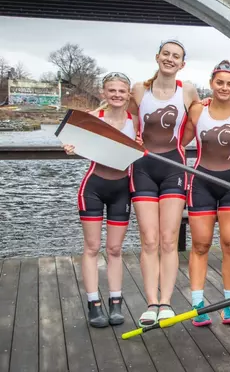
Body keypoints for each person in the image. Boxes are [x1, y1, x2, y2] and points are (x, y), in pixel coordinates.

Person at [129, 40, 200, 326]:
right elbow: (126, 122)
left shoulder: (188, 90)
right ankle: (151, 302)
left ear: (182, 64)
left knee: (169, 240)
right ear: (157, 57)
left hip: (173, 168)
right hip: (143, 168)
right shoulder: (138, 89)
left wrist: (176, 148)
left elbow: (196, 125)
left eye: (176, 57)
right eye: (166, 54)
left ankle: (167, 302)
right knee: (149, 239)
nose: (170, 59)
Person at [63, 72, 138, 327]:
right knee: (92, 247)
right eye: (112, 90)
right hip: (93, 186)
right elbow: (71, 140)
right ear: (104, 93)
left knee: (115, 249)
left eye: (121, 91)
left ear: (128, 94)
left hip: (122, 188)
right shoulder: (94, 118)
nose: (117, 95)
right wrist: (70, 146)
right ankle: (93, 302)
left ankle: (115, 301)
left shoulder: (135, 121)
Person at [182, 60, 230, 326]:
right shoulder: (199, 110)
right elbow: (179, 142)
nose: (224, 88)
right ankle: (198, 303)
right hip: (202, 182)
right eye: (219, 83)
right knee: (200, 244)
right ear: (211, 83)